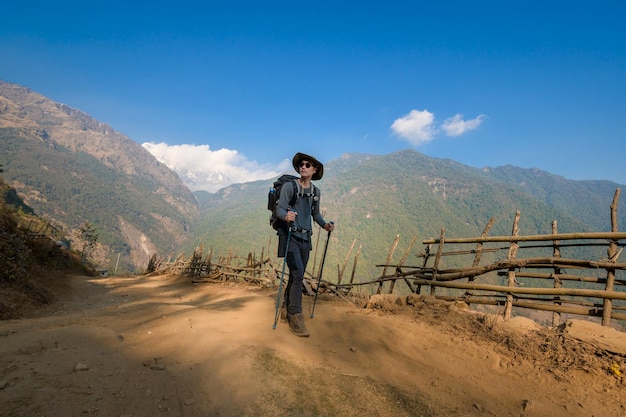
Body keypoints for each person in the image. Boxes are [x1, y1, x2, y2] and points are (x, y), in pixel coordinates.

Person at [276, 152, 335, 337]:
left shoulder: (315, 192)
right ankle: (296, 316)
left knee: (296, 276)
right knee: (298, 274)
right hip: (290, 237)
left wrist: (325, 224)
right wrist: (285, 216)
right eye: (301, 164)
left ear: (314, 170)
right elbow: (279, 208)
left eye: (308, 165)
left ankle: (286, 309)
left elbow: (315, 214)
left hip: (306, 239)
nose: (303, 166)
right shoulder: (288, 187)